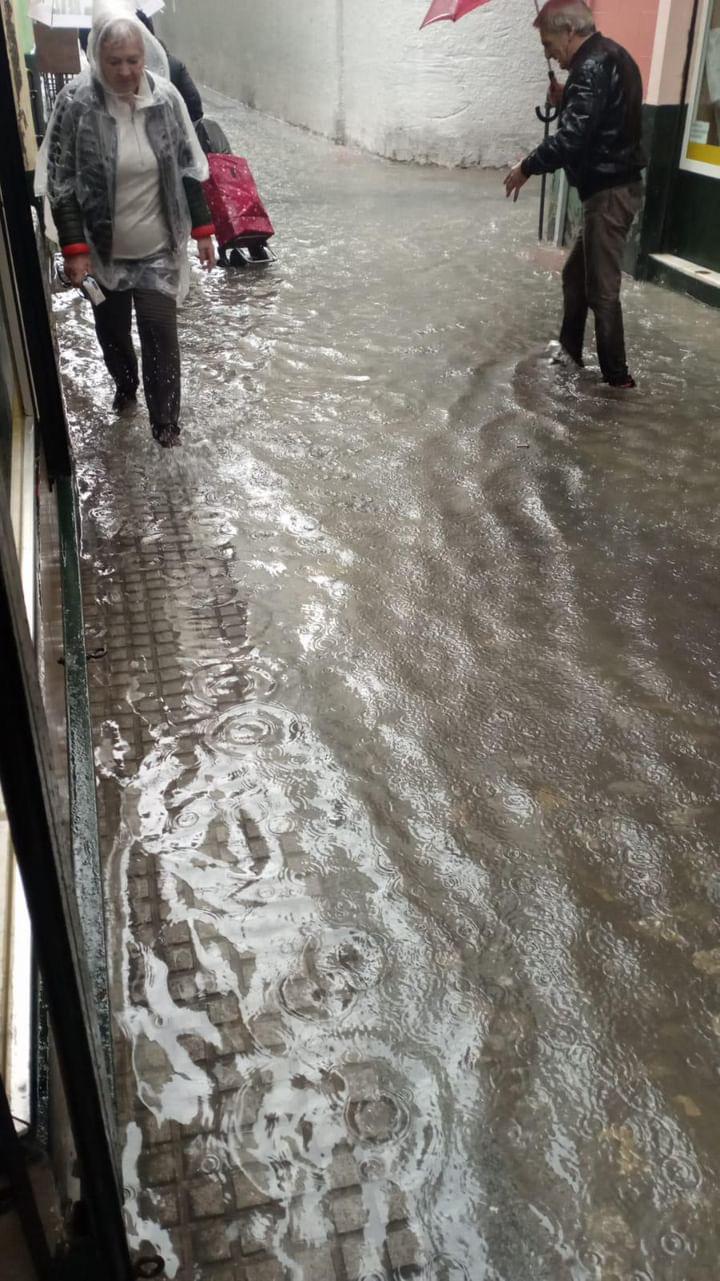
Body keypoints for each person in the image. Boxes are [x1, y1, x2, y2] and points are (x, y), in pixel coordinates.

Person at [36, 1, 216, 447]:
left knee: (161, 334)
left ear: (146, 54)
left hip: (157, 246)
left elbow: (187, 168)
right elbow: (60, 183)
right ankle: (125, 383)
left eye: (132, 60)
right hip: (101, 249)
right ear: (97, 57)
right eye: (113, 61)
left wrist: (204, 231)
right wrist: (75, 249)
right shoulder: (75, 105)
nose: (124, 70)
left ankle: (166, 425)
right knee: (113, 330)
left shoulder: (164, 100)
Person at [504, 0, 645, 390]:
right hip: (612, 187)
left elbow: (571, 139)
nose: (549, 53)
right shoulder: (610, 57)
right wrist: (565, 98)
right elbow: (603, 115)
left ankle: (618, 385)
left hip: (608, 191)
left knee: (602, 292)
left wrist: (526, 167)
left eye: (549, 43)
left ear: (569, 32)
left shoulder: (591, 66)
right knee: (574, 276)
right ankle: (569, 355)